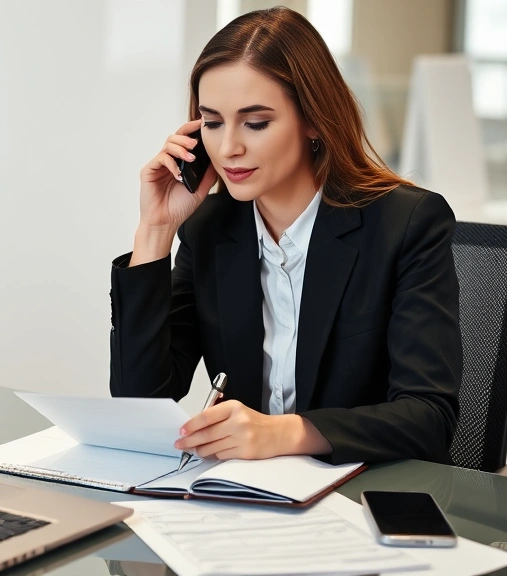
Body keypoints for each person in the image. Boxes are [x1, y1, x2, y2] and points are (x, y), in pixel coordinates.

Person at [109, 6, 460, 465]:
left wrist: (286, 433)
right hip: (248, 492)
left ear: (313, 119)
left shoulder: (407, 224)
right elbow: (140, 400)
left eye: (256, 123)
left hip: (366, 490)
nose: (229, 147)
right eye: (212, 122)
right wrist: (155, 231)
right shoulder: (211, 228)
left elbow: (428, 417)